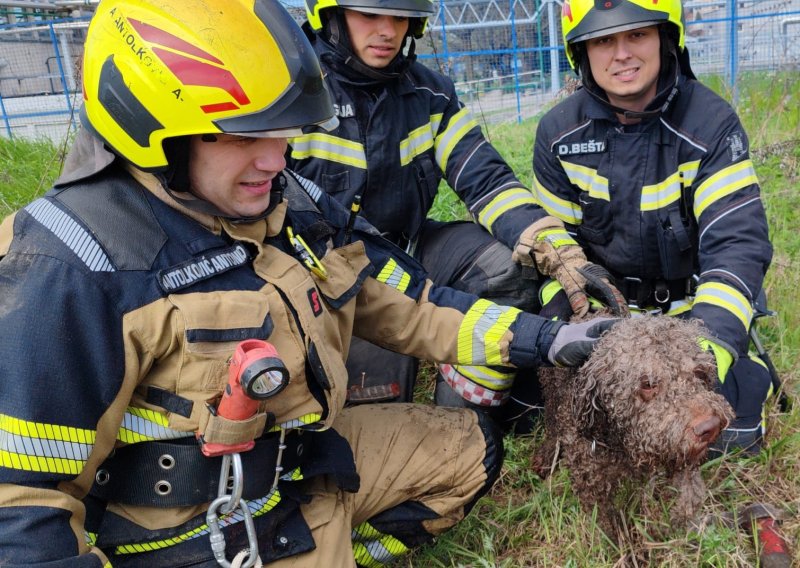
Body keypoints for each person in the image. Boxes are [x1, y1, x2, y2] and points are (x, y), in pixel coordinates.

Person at [0, 0, 615, 565]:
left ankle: (334, 541)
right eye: (243, 135)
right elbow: (22, 509)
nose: (276, 160)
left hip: (299, 464)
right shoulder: (67, 266)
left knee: (469, 452)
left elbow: (411, 303)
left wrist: (549, 341)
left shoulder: (286, 202)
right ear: (150, 129)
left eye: (281, 132)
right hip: (189, 537)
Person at [288, 0, 625, 430]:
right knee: (371, 410)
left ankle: (464, 416)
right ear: (331, 17)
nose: (387, 30)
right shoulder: (295, 94)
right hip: (323, 275)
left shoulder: (429, 94)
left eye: (399, 17)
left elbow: (485, 179)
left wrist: (560, 252)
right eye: (370, 15)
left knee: (507, 268)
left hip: (406, 248)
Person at [532, 0, 773, 454]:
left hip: (690, 318)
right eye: (603, 40)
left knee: (730, 433)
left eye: (637, 35)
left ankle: (744, 369)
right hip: (610, 322)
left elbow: (737, 243)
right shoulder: (557, 134)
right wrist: (574, 324)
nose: (621, 53)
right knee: (537, 409)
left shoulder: (711, 124)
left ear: (666, 40)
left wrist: (708, 351)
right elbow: (554, 252)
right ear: (581, 52)